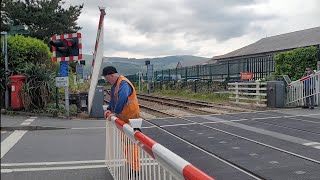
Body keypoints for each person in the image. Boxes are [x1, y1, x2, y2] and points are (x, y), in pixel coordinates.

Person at [102, 66, 141, 174]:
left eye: (107, 79)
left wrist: (115, 112)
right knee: (126, 143)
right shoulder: (116, 85)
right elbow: (114, 100)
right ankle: (129, 164)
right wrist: (109, 109)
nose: (107, 81)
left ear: (111, 75)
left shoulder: (123, 83)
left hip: (131, 119)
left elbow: (123, 96)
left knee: (131, 144)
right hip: (124, 119)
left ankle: (135, 169)